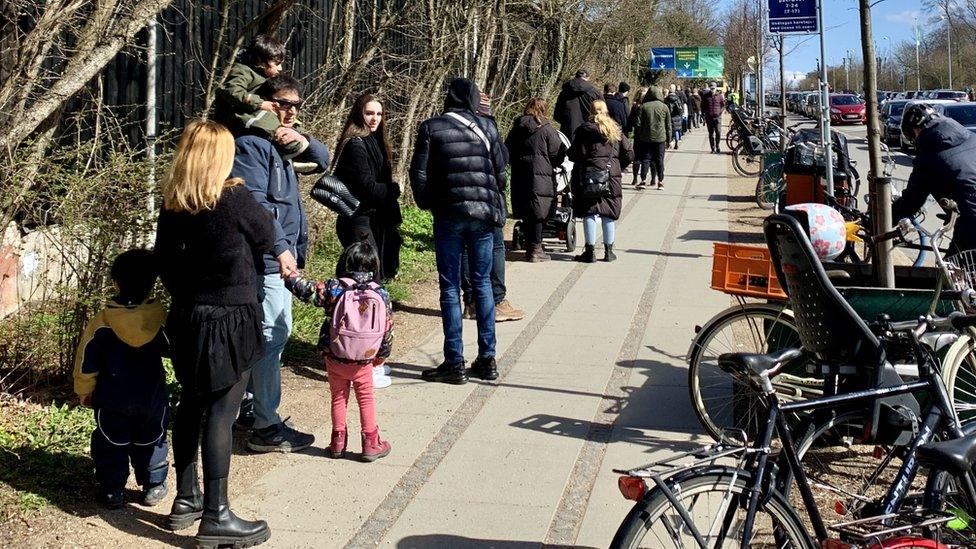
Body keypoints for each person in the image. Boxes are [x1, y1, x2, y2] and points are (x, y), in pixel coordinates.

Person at [154, 120, 274, 546]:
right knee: (222, 411)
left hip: (186, 315)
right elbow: (268, 234)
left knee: (190, 403)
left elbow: (163, 264)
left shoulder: (172, 203)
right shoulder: (234, 196)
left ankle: (185, 498)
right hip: (230, 315)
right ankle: (217, 514)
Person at [231, 74, 329, 452]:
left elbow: (321, 158)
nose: (290, 111)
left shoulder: (281, 142)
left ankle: (251, 410)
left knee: (269, 334)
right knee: (272, 335)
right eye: (283, 104)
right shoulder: (251, 145)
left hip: (279, 254)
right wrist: (281, 248)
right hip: (266, 258)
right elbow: (255, 204)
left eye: (296, 105)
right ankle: (266, 427)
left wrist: (304, 140)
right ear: (264, 103)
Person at [409, 77, 508, 385]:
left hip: (448, 212)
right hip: (482, 214)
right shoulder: (488, 126)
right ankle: (488, 359)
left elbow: (419, 171)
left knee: (450, 288)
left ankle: (454, 362)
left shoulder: (431, 127)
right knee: (483, 284)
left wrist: (428, 202)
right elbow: (501, 171)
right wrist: (491, 197)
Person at [73, 249, 169, 510]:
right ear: (153, 283)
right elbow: (176, 349)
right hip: (152, 396)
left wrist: (84, 390)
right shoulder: (159, 318)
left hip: (111, 396)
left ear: (115, 281)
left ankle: (112, 490)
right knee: (152, 437)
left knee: (110, 441)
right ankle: (154, 485)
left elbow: (86, 359)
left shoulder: (102, 322)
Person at [285, 241, 394, 461]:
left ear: (344, 262)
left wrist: (290, 277)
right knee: (366, 398)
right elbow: (387, 328)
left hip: (335, 354)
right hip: (364, 359)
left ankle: (337, 442)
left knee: (338, 397)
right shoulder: (380, 293)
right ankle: (371, 443)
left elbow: (308, 292)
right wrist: (380, 357)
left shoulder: (335, 287)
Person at [460, 92, 524, 323]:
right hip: (487, 197)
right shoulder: (488, 128)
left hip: (459, 200)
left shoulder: (449, 125)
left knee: (466, 249)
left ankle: (471, 301)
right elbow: (501, 164)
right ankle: (497, 300)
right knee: (496, 247)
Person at [332, 93, 403, 283]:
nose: (375, 119)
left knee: (370, 276)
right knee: (366, 278)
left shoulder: (375, 142)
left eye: (379, 114)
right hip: (358, 219)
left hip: (375, 218)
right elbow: (367, 188)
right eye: (369, 113)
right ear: (358, 114)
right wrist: (394, 189)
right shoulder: (356, 144)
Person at [893, 103, 976, 253]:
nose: (914, 141)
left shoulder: (928, 156)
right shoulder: (969, 136)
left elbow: (912, 200)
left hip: (972, 217)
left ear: (916, 129)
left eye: (912, 137)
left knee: (954, 267)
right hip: (968, 210)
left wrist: (884, 219)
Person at [213, 35, 306, 162]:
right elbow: (231, 91)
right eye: (277, 64)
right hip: (235, 114)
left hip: (249, 111)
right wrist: (259, 103)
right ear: (260, 62)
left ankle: (299, 137)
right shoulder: (243, 71)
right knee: (267, 119)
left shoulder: (262, 76)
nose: (280, 69)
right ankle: (286, 149)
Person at [569, 100, 634, 263]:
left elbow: (573, 154)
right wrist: (617, 166)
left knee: (589, 211)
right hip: (611, 175)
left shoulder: (583, 131)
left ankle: (589, 252)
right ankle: (609, 251)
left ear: (590, 111)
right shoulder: (615, 130)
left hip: (588, 174)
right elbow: (629, 153)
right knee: (609, 211)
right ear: (606, 111)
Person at [506, 97, 568, 262]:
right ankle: (535, 248)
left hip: (520, 174)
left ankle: (530, 246)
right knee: (540, 212)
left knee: (527, 210)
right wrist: (554, 162)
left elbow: (507, 151)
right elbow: (557, 153)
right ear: (543, 110)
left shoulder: (516, 128)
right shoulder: (547, 129)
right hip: (541, 174)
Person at [632, 86, 671, 190]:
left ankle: (643, 180)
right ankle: (660, 181)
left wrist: (640, 136)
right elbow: (668, 125)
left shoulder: (643, 107)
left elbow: (638, 124)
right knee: (659, 160)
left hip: (646, 138)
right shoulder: (664, 107)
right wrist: (669, 139)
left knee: (646, 159)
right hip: (660, 138)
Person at [554, 69, 602, 139]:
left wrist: (566, 121)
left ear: (575, 76)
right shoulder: (595, 92)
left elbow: (557, 114)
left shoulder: (564, 92)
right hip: (589, 130)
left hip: (568, 130)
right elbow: (602, 112)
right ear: (588, 78)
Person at [701, 83, 726, 154]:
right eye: (711, 88)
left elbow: (723, 105)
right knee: (711, 133)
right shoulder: (706, 96)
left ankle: (717, 145)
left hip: (717, 117)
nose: (712, 90)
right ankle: (712, 148)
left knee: (718, 132)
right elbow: (703, 106)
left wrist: (720, 112)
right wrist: (704, 114)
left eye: (713, 88)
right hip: (709, 117)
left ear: (716, 88)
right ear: (709, 88)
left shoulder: (720, 96)